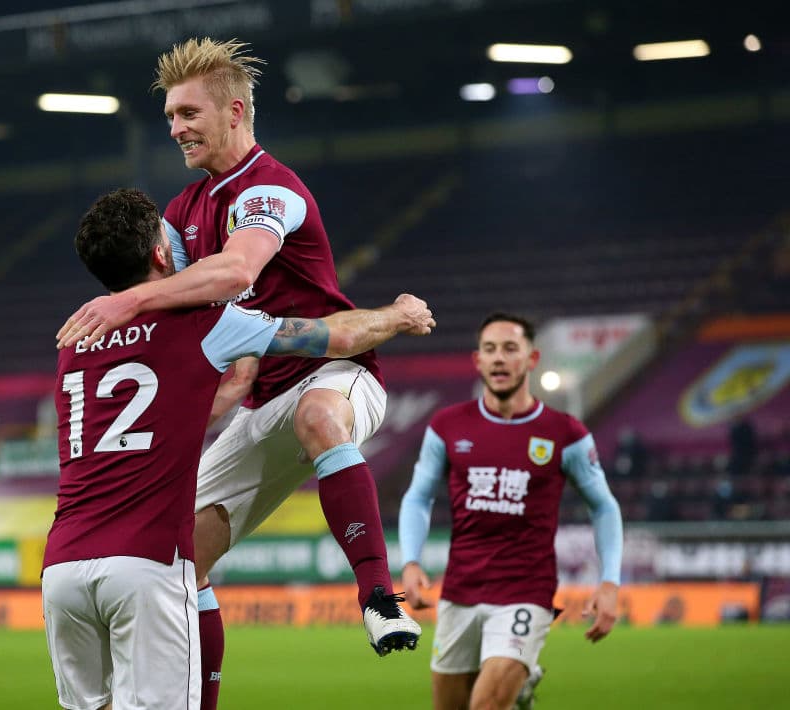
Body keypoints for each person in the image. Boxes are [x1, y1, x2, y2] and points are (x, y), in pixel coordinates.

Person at [55, 37, 424, 706]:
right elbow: (180, 300)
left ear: (235, 111)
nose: (176, 129)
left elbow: (234, 273)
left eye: (189, 114)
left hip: (335, 370)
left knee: (318, 416)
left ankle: (376, 596)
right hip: (262, 400)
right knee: (177, 556)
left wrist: (128, 299)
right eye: (170, 117)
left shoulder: (270, 190)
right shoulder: (183, 211)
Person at [398, 312, 623, 710]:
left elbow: (604, 506)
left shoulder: (564, 433)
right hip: (460, 592)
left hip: (525, 592)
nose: (499, 358)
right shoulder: (448, 426)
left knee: (484, 707)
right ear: (477, 361)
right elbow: (418, 497)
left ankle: (514, 679)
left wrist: (609, 583)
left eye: (509, 349)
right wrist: (411, 561)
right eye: (490, 350)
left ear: (532, 359)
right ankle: (520, 690)